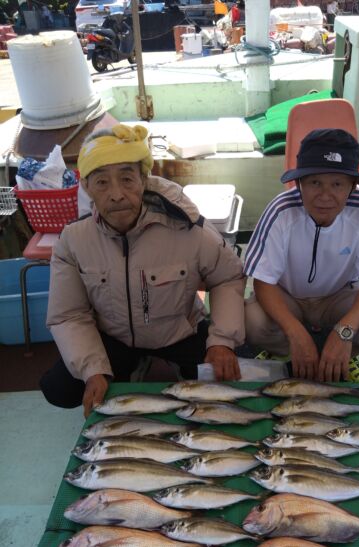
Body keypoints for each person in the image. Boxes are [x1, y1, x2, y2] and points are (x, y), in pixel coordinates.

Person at [40, 124, 245, 417]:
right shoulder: (73, 240)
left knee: (234, 373)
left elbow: (227, 277)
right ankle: (132, 365)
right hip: (115, 338)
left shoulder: (186, 227)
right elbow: (68, 314)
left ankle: (168, 364)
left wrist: (222, 342)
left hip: (179, 332)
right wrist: (92, 370)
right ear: (86, 186)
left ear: (144, 179)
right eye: (102, 182)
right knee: (60, 389)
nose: (116, 195)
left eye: (127, 179)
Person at [243, 128, 359, 383]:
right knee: (252, 320)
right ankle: (285, 352)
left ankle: (346, 353)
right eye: (315, 182)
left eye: (337, 184)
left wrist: (345, 332)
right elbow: (263, 281)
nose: (325, 196)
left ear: (352, 186)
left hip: (339, 295)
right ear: (299, 183)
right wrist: (296, 333)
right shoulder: (280, 210)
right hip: (288, 296)